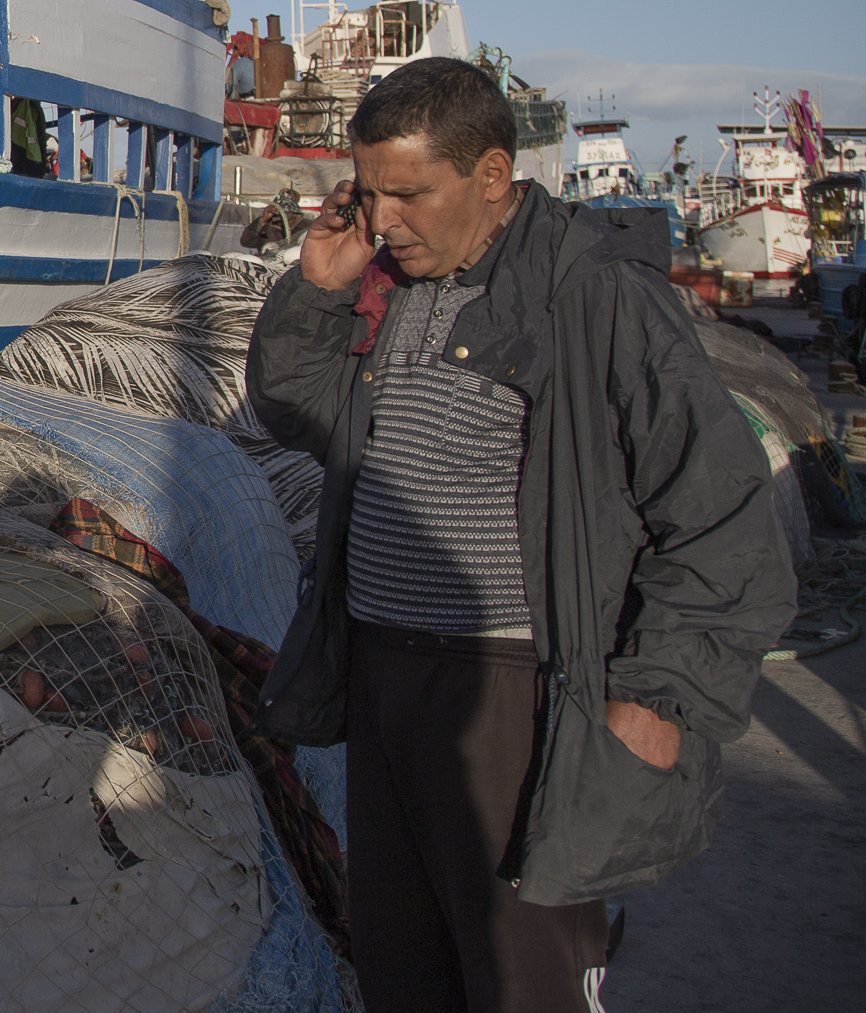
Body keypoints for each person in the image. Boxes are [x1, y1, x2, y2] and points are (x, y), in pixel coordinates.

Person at [245, 57, 795, 1013]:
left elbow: (720, 513)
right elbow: (300, 412)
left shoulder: (595, 295)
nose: (383, 220)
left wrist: (657, 694)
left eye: (408, 193)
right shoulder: (396, 281)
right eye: (370, 193)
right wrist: (318, 289)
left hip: (514, 693)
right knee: (403, 965)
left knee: (519, 976)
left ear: (492, 175)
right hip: (384, 677)